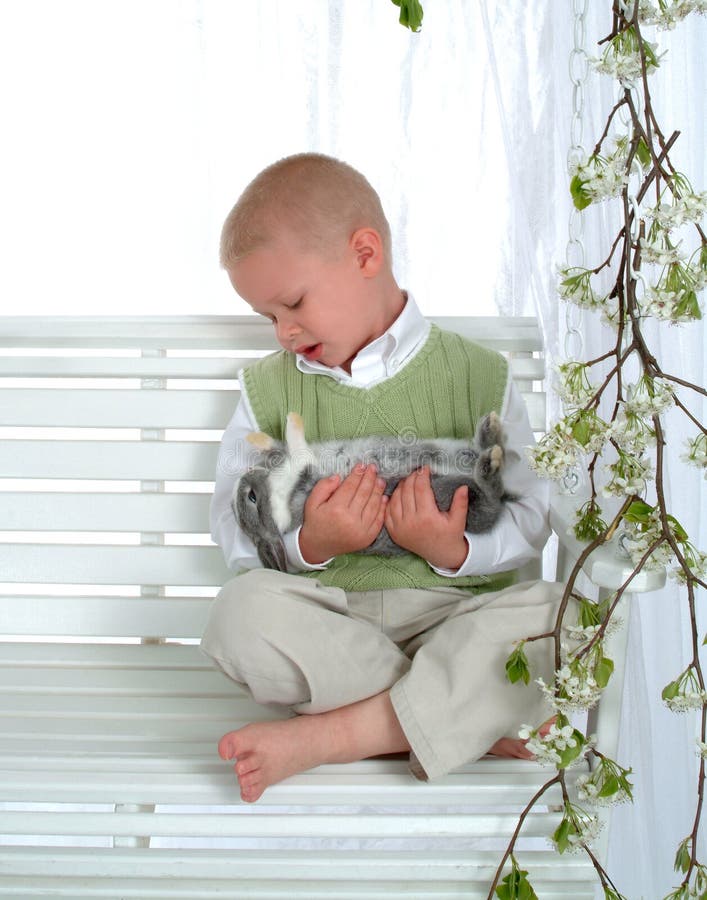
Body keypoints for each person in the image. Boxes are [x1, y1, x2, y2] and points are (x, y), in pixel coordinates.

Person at [202, 152, 562, 803]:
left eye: (292, 304)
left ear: (365, 254)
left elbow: (533, 512)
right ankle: (462, 715)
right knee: (238, 615)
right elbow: (232, 522)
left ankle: (333, 736)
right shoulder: (265, 391)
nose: (283, 332)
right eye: (267, 318)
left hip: (455, 617)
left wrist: (452, 549)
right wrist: (310, 545)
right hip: (331, 621)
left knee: (558, 612)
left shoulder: (478, 375)